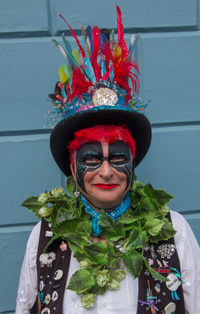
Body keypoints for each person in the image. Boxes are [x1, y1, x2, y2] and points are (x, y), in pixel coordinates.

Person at [16, 6, 200, 314]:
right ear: (73, 167)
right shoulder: (44, 237)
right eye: (91, 158)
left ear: (132, 163)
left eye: (117, 157)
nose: (105, 171)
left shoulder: (174, 230)